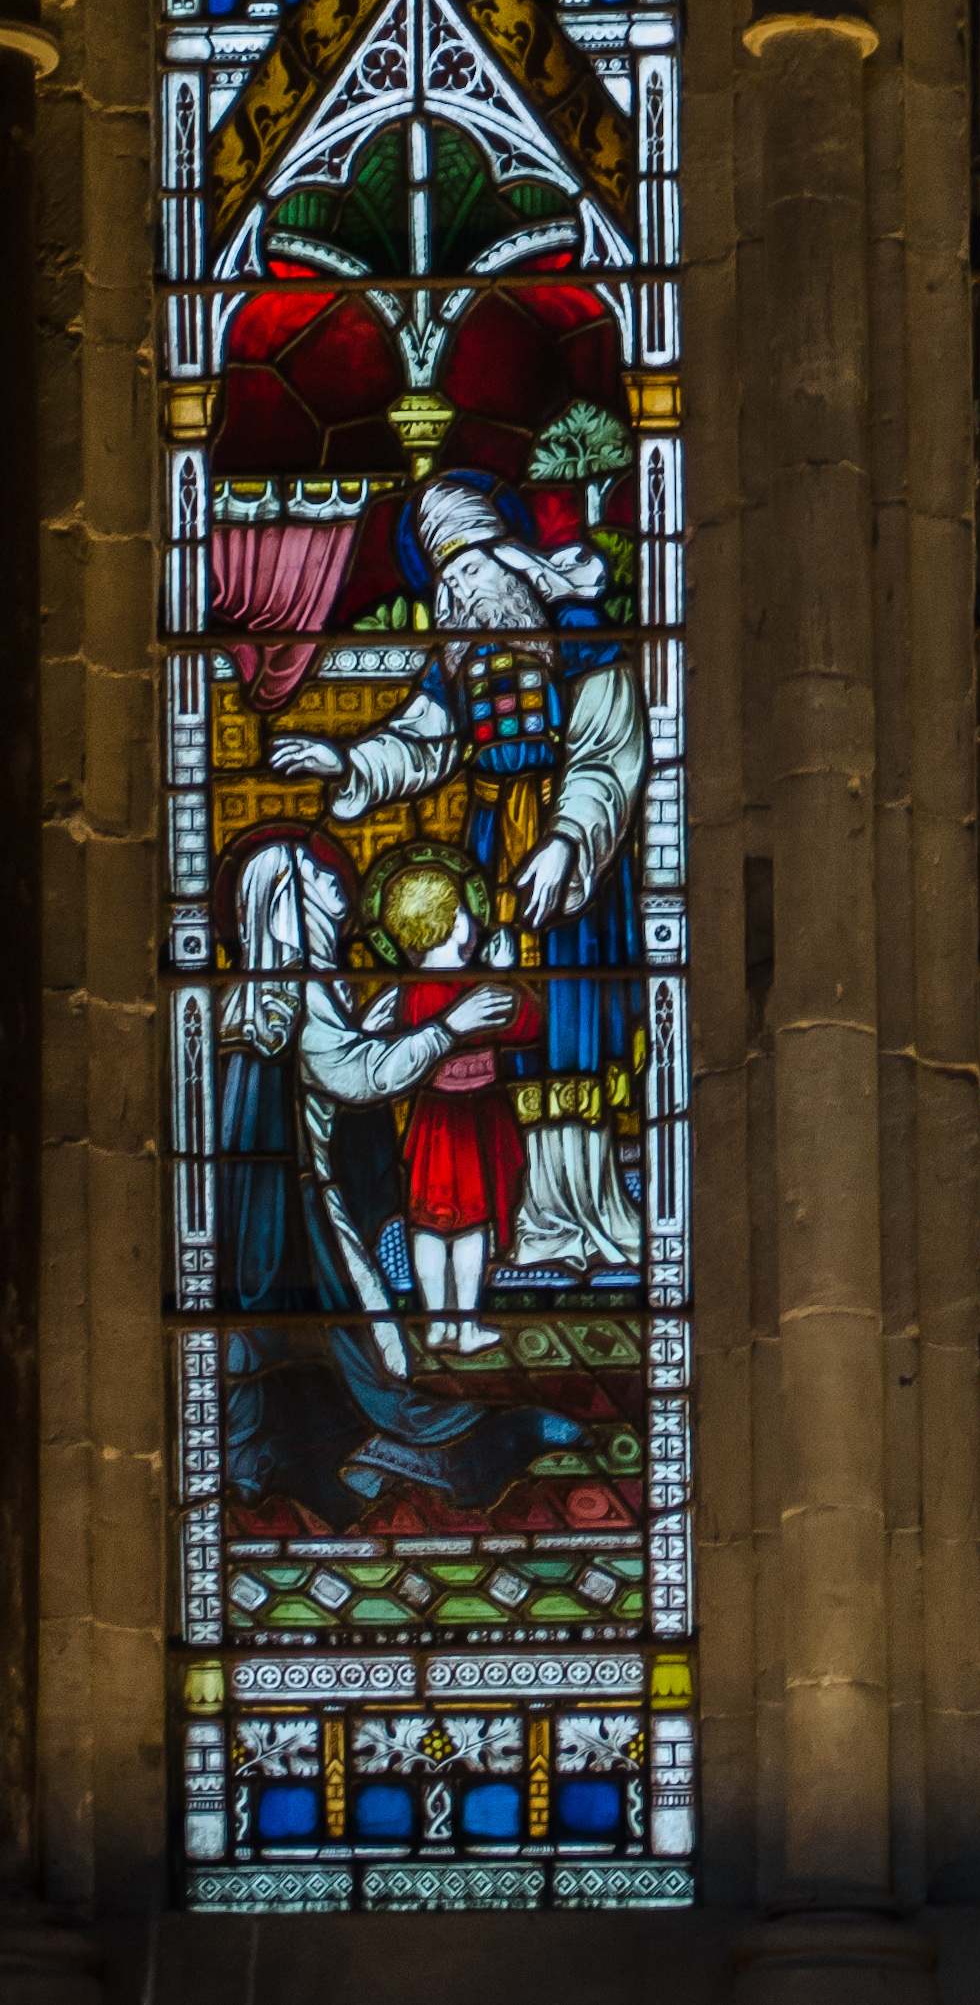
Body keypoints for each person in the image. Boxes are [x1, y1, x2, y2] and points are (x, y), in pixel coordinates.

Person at [269, 469, 644, 1279]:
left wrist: (568, 840)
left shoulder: (584, 640)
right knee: (503, 1027)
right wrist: (344, 758)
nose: (460, 594)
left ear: (510, 562)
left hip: (573, 867)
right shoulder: (460, 662)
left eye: (471, 570)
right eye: (446, 581)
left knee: (568, 1028)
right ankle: (526, 1224)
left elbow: (609, 752)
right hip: (491, 853)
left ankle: (583, 1210)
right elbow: (422, 742)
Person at [216, 830, 576, 1516]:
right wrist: (450, 1025)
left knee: (325, 1356)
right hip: (295, 1215)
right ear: (287, 901)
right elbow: (355, 1072)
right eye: (321, 880)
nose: (338, 894)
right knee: (357, 1358)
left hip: (262, 1212)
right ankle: (452, 1451)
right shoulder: (290, 990)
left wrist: (385, 1022)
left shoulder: (255, 991)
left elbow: (338, 1054)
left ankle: (295, 1456)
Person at [358, 841, 539, 1348]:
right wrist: (505, 975)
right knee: (472, 1226)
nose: (470, 921)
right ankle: (466, 1326)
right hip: (473, 1120)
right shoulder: (471, 987)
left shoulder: (409, 991)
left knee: (429, 1225)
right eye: (461, 910)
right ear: (447, 922)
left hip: (430, 1121)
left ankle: (436, 1323)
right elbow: (524, 1024)